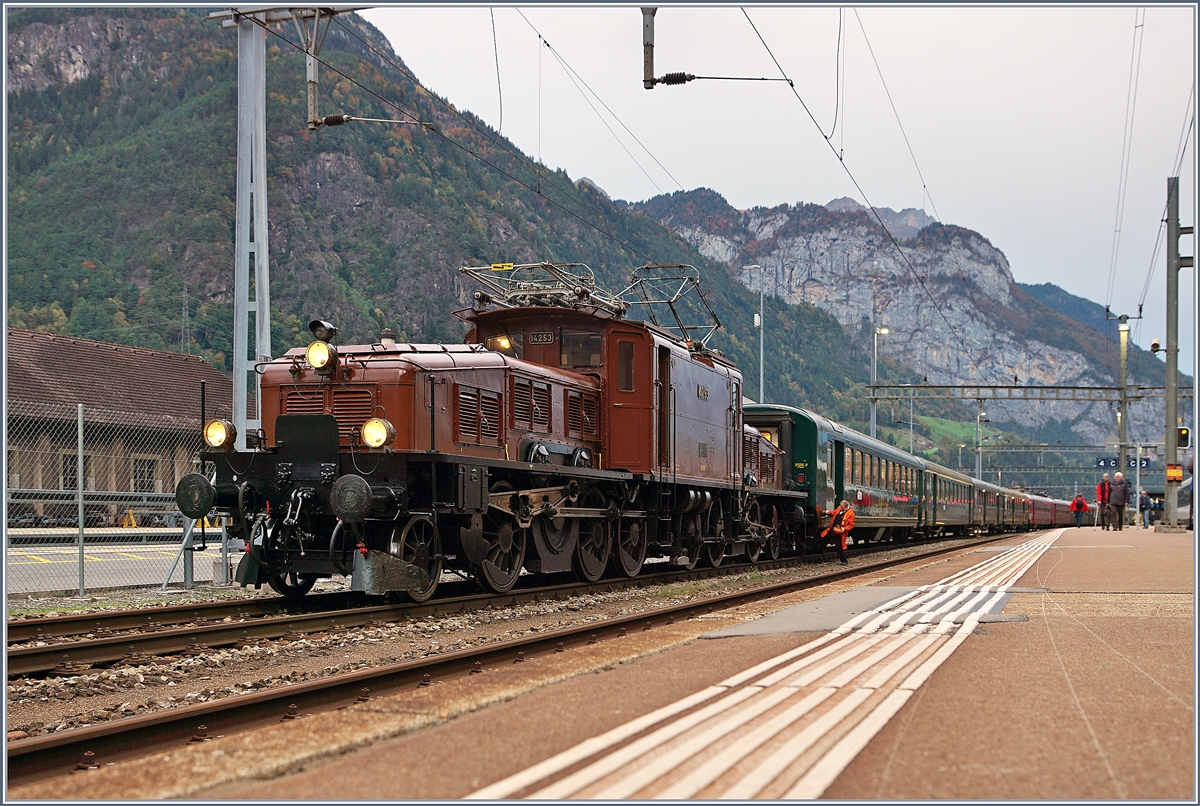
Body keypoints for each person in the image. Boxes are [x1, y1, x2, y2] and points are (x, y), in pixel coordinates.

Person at [822, 499, 855, 565]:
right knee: (823, 537)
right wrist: (827, 512)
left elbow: (851, 525)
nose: (841, 509)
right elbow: (834, 513)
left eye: (842, 508)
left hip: (839, 532)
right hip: (833, 529)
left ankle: (844, 561)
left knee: (839, 546)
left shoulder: (851, 514)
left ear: (846, 506)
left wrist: (844, 529)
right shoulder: (840, 508)